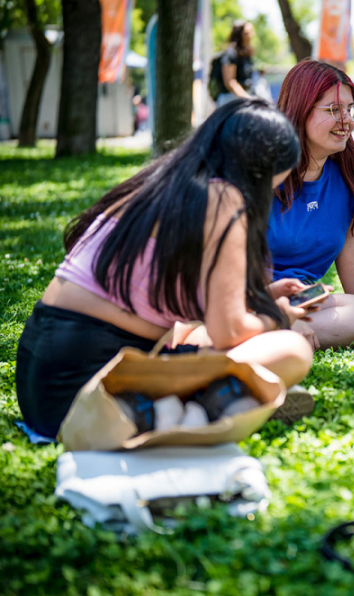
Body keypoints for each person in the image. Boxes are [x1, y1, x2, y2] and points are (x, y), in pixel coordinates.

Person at [16, 98, 315, 439]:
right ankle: (200, 409)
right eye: (273, 186)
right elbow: (228, 332)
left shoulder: (159, 182)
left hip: (39, 384)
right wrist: (277, 317)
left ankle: (218, 400)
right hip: (86, 396)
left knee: (194, 334)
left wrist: (258, 298)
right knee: (293, 349)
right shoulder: (223, 199)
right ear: (258, 173)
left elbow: (188, 304)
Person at [270, 60, 354, 350]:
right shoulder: (262, 170)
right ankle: (269, 327)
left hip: (305, 301)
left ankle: (276, 331)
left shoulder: (352, 176)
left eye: (351, 109)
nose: (346, 120)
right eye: (334, 109)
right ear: (300, 108)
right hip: (244, 295)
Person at [217, 20, 255, 107]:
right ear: (239, 35)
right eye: (246, 33)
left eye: (251, 32)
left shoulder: (245, 53)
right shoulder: (231, 53)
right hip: (231, 100)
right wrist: (248, 98)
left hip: (244, 99)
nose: (250, 35)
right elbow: (230, 82)